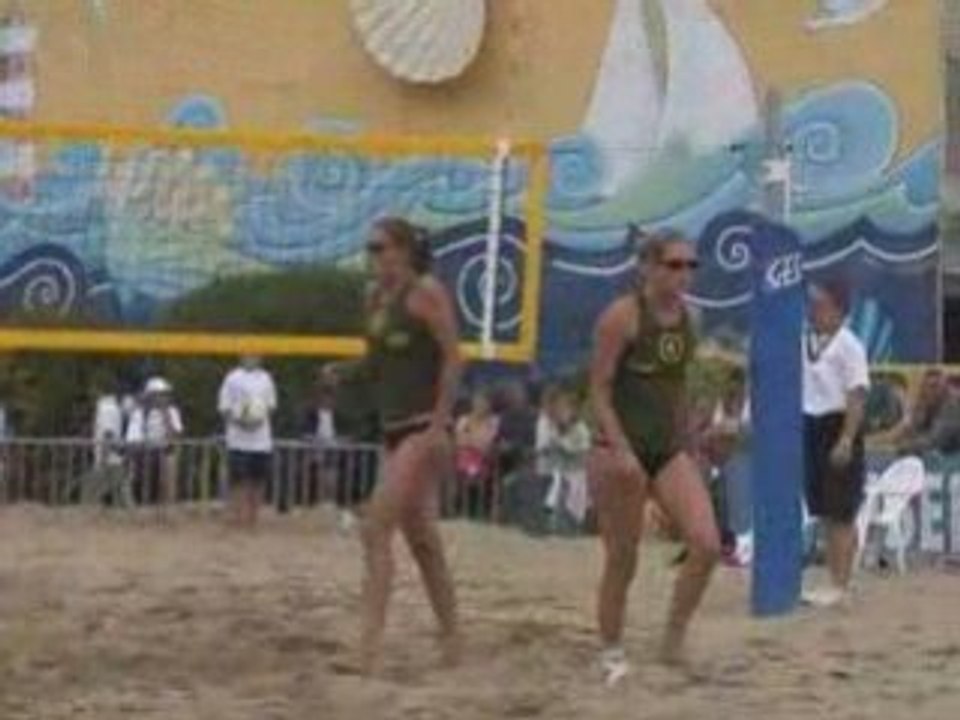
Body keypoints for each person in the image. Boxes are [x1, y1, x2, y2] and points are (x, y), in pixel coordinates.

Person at [327, 217, 462, 675]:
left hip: (422, 427)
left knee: (375, 526)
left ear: (403, 251)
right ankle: (452, 637)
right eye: (369, 248)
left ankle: (367, 648)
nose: (372, 256)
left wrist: (440, 425)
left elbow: (453, 359)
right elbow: (378, 361)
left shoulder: (425, 293)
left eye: (379, 247)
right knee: (423, 541)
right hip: (394, 429)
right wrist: (344, 372)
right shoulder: (374, 298)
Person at [588, 230, 721, 685]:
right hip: (617, 448)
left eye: (691, 266)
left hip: (665, 447)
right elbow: (599, 390)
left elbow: (676, 387)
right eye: (674, 264)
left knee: (707, 543)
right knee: (622, 558)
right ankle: (611, 650)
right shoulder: (622, 317)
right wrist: (621, 450)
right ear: (648, 267)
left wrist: (691, 445)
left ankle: (673, 640)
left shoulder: (691, 319)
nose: (684, 274)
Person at [801, 280, 870, 608]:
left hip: (838, 424)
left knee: (841, 510)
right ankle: (835, 579)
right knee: (825, 510)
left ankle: (840, 584)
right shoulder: (807, 342)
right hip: (812, 425)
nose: (813, 311)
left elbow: (857, 395)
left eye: (821, 305)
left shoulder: (849, 346)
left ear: (839, 311)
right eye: (812, 305)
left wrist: (846, 439)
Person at [218, 355, 277, 529]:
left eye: (255, 355)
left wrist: (258, 420)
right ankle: (238, 517)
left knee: (258, 480)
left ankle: (253, 518)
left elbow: (271, 406)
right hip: (238, 440)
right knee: (238, 481)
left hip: (261, 441)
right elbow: (224, 407)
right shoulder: (232, 377)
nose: (251, 358)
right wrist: (240, 422)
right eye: (248, 354)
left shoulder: (266, 378)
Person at [126, 377, 183, 518]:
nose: (163, 398)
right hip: (145, 454)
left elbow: (176, 436)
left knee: (169, 467)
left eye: (164, 395)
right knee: (143, 481)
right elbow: (133, 439)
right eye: (159, 395)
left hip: (165, 452)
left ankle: (167, 511)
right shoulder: (140, 413)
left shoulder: (172, 412)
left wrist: (166, 417)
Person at [537, 386, 591, 533]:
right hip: (554, 468)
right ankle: (552, 519)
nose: (563, 413)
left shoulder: (581, 429)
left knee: (565, 483)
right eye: (561, 409)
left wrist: (562, 445)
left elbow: (582, 452)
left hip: (576, 472)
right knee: (556, 480)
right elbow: (543, 447)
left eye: (566, 409)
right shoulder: (550, 424)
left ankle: (568, 523)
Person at [454, 391, 500, 518]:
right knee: (464, 464)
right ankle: (462, 508)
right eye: (477, 402)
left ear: (489, 405)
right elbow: (459, 442)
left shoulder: (494, 422)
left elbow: (487, 444)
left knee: (475, 468)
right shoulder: (463, 420)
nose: (479, 406)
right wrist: (475, 442)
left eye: (483, 403)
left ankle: (477, 509)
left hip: (483, 460)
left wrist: (470, 440)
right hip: (464, 458)